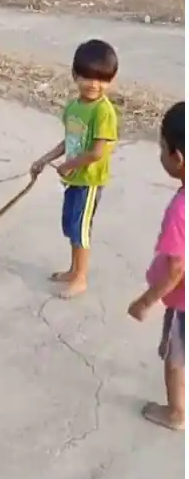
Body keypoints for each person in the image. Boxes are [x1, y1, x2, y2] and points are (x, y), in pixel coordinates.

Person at [30, 39, 119, 298]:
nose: (94, 84)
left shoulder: (104, 112)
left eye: (102, 79)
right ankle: (73, 270)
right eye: (88, 77)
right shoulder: (74, 107)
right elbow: (69, 141)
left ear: (111, 81)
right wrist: (44, 159)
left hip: (89, 181)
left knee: (81, 229)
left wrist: (69, 165)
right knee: (71, 226)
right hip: (74, 179)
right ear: (74, 75)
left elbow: (96, 152)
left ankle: (80, 279)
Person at [127, 101, 185, 431]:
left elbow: (177, 269)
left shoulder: (180, 210)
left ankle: (176, 413)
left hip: (183, 304)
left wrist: (145, 301)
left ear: (177, 158)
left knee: (174, 359)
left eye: (161, 147)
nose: (160, 154)